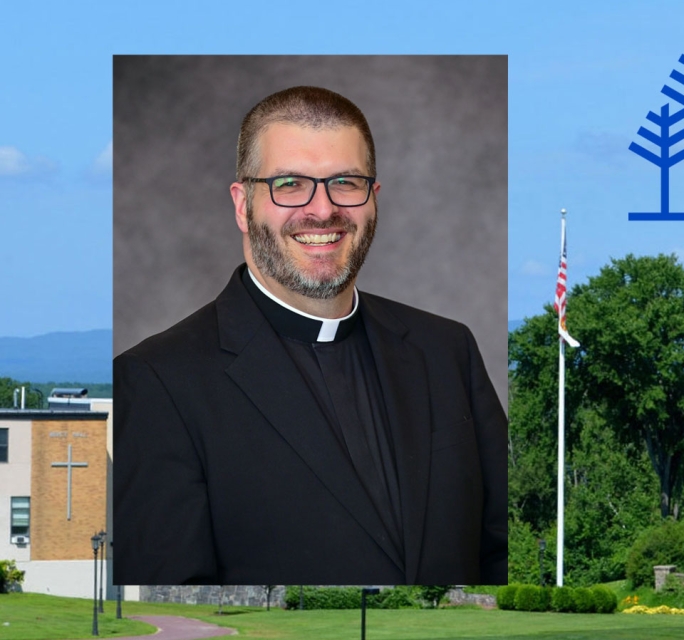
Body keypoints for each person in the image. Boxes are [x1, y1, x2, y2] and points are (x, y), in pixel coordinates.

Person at [113, 86, 507, 586]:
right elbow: (173, 606)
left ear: (373, 199)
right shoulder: (155, 383)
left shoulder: (447, 351)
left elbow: (500, 554)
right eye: (290, 184)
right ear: (243, 204)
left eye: (345, 182)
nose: (322, 210)